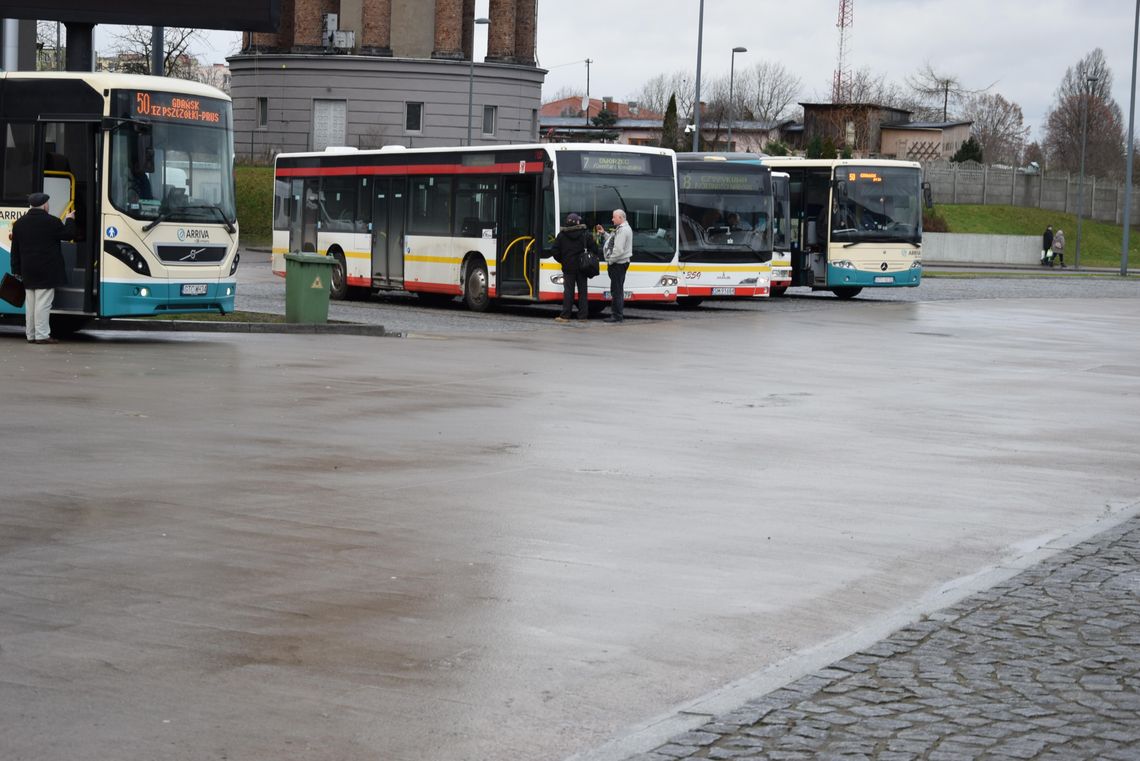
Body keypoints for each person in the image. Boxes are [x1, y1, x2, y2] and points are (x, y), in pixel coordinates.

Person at [10, 192, 77, 344]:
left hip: (27, 270)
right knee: (43, 304)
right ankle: (41, 335)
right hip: (47, 271)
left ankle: (31, 334)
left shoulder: (19, 224)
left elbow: (15, 250)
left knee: (31, 305)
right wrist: (69, 219)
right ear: (45, 205)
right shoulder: (52, 222)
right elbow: (68, 235)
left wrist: (16, 270)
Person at [552, 212, 598, 323]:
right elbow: (595, 249)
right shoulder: (585, 234)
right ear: (577, 222)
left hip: (568, 267)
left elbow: (554, 251)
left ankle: (565, 316)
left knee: (568, 292)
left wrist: (563, 261)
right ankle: (583, 316)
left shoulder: (561, 235)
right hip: (583, 267)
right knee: (583, 292)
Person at [598, 208, 633, 323]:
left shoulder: (623, 230)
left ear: (620, 218)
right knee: (617, 290)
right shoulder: (622, 229)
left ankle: (617, 316)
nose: (612, 219)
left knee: (616, 291)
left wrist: (610, 260)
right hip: (619, 263)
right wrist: (604, 234)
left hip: (618, 264)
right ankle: (617, 314)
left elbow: (618, 250)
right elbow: (613, 241)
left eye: (614, 217)